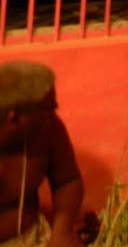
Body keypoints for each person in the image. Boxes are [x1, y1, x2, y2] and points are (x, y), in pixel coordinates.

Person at [0, 62, 83, 247]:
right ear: (14, 119)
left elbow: (67, 181)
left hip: (34, 236)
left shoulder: (48, 129)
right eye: (49, 107)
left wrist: (62, 232)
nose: (56, 109)